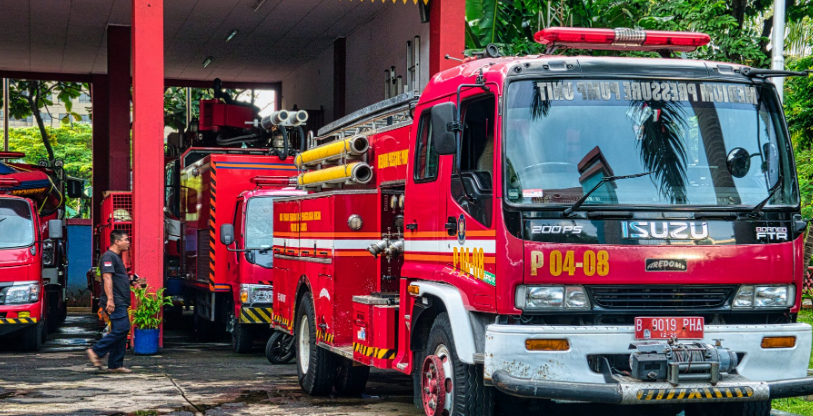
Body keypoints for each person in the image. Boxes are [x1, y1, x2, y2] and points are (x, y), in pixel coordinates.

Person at [86, 230, 141, 373]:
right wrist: (110, 300)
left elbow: (117, 279)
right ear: (117, 242)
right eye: (126, 240)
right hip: (115, 301)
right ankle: (96, 351)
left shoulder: (116, 258)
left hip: (120, 300)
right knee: (121, 329)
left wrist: (132, 281)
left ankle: (115, 364)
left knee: (121, 331)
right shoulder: (108, 257)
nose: (128, 243)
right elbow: (107, 278)